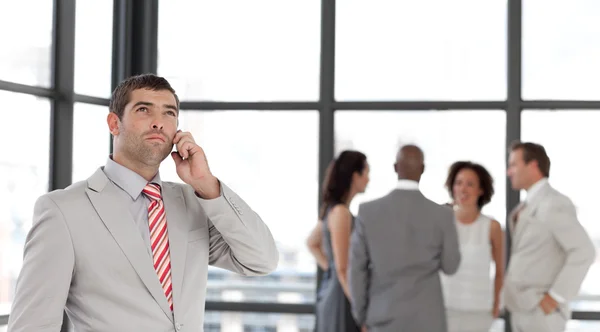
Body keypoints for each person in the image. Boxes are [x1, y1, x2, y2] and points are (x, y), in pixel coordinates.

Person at [7, 74, 279, 332]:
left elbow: (261, 260)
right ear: (114, 124)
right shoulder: (63, 211)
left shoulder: (195, 202)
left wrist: (207, 184)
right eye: (144, 110)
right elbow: (32, 325)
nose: (158, 122)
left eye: (169, 113)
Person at [349, 144, 461, 332]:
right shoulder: (442, 215)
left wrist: (361, 315)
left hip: (382, 317)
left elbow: (356, 270)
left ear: (395, 168)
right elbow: (451, 266)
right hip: (428, 320)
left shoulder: (368, 212)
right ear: (423, 169)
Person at [505, 141, 595, 332]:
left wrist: (556, 296)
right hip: (522, 309)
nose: (509, 171)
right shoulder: (525, 206)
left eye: (513, 164)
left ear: (533, 165)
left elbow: (584, 251)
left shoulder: (553, 204)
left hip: (541, 313)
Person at [307, 150, 370, 332]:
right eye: (366, 173)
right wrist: (361, 313)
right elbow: (343, 269)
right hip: (342, 299)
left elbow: (312, 243)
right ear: (354, 176)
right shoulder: (341, 213)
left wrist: (331, 269)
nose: (368, 179)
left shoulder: (333, 209)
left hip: (334, 293)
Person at [441, 161, 504, 332]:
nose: (463, 189)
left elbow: (500, 271)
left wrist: (497, 302)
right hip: (445, 308)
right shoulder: (442, 222)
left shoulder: (492, 227)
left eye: (470, 184)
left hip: (479, 311)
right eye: (459, 183)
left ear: (481, 190)